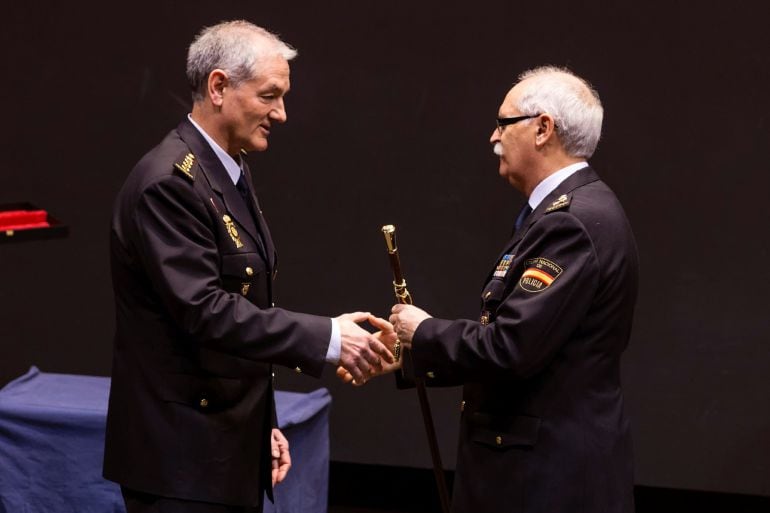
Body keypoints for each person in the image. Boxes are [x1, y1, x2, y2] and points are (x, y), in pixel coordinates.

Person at [103, 20, 394, 513]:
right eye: (269, 96)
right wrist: (329, 338)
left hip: (220, 448)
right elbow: (207, 312)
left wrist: (264, 424)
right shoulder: (170, 183)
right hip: (182, 464)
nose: (280, 113)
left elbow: (245, 310)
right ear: (218, 87)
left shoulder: (227, 169)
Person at [371, 67, 638, 512]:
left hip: (544, 482)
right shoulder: (562, 214)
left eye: (503, 123)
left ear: (542, 128)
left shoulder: (571, 221)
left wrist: (424, 331)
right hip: (539, 474)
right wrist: (409, 355)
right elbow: (539, 350)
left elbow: (512, 348)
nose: (493, 137)